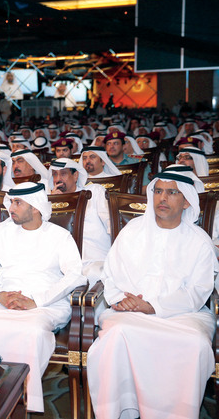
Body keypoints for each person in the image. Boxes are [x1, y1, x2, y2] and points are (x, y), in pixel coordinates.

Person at [87, 170, 218, 419]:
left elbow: (198, 292)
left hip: (182, 315)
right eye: (158, 191)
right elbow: (111, 273)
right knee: (115, 336)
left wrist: (152, 306)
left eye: (171, 192)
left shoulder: (199, 241)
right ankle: (118, 411)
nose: (162, 198)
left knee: (196, 344)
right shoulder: (132, 230)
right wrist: (117, 299)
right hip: (128, 312)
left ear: (187, 200)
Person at [0, 182, 85, 413]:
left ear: (35, 207)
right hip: (3, 298)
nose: (10, 207)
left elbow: (75, 276)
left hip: (45, 303)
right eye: (11, 201)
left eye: (17, 202)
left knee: (31, 331)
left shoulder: (59, 236)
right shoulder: (1, 232)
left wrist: (36, 300)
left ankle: (24, 403)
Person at [49, 158, 111, 279]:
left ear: (76, 175)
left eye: (63, 173)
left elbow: (111, 222)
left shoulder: (94, 192)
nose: (57, 180)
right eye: (55, 174)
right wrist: (53, 204)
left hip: (93, 260)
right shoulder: (49, 199)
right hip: (62, 263)